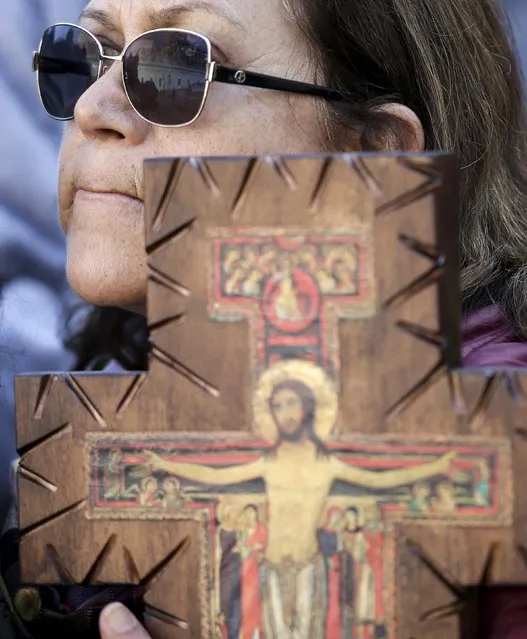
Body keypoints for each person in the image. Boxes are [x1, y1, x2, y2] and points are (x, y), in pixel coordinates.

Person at [7, 0, 527, 636]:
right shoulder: (106, 400)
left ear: (375, 161)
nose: (92, 109)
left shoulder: (500, 444)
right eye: (84, 57)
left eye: (179, 66)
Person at [143, 378, 455, 638]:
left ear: (307, 407)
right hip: (272, 567)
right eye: (277, 406)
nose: (284, 413)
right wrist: (165, 463)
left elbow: (381, 480)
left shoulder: (326, 464)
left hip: (309, 567)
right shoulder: (269, 462)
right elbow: (215, 476)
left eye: (291, 403)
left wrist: (435, 467)